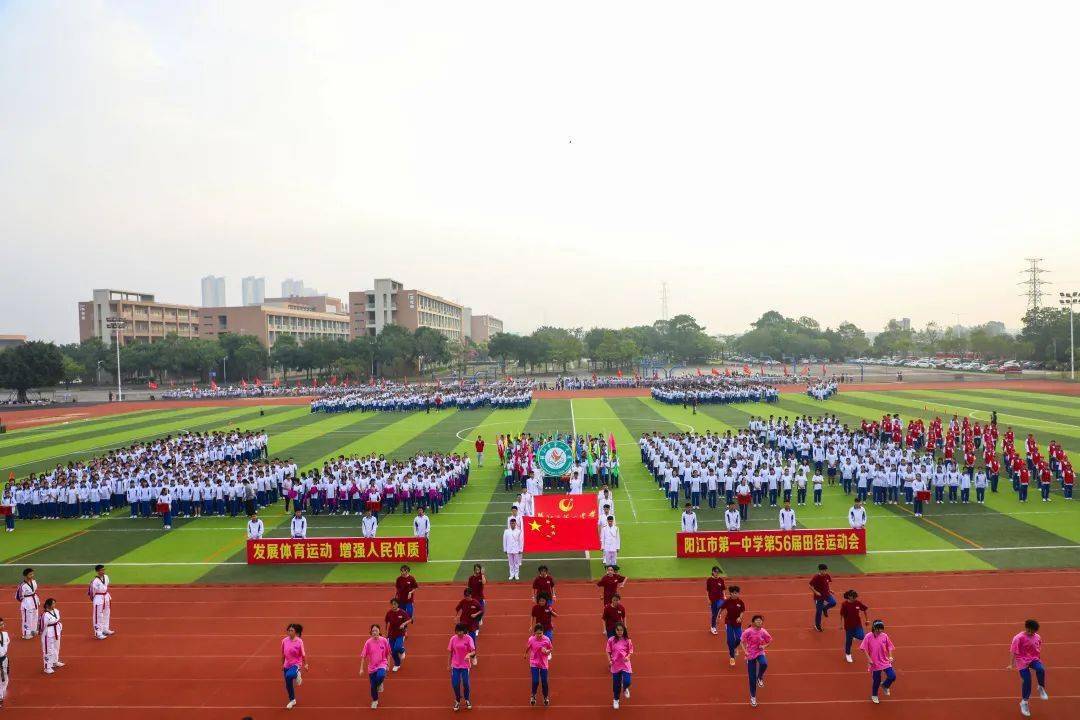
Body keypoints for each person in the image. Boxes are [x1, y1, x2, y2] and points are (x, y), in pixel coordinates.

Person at [1008, 618, 1049, 717]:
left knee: (1041, 669)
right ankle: (1024, 702)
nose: (1030, 632)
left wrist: (1038, 659)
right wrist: (1011, 664)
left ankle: (1040, 687)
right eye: (1028, 630)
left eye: (1032, 631)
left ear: (1036, 631)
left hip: (1033, 659)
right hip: (1022, 661)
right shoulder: (1018, 638)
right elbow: (1013, 651)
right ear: (1026, 628)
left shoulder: (1038, 637)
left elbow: (1038, 648)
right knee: (1027, 680)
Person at [860, 620, 896, 704]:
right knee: (876, 680)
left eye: (881, 629)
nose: (880, 631)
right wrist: (869, 659)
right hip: (875, 663)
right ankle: (874, 695)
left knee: (892, 676)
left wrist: (890, 656)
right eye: (878, 629)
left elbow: (890, 646)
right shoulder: (868, 636)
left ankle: (885, 685)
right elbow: (863, 648)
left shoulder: (884, 636)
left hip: (884, 661)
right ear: (874, 628)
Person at [359, 624, 392, 709]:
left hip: (382, 663)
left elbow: (388, 653)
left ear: (379, 631)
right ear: (371, 632)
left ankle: (380, 683)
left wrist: (388, 664)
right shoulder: (368, 642)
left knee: (381, 675)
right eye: (373, 631)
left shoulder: (384, 640)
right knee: (373, 687)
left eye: (376, 630)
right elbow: (363, 655)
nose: (374, 632)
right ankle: (375, 700)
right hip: (372, 667)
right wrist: (361, 668)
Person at [742, 614, 772, 707]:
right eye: (757, 620)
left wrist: (764, 646)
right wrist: (745, 651)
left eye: (760, 620)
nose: (759, 622)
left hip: (759, 652)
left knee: (764, 663)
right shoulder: (748, 631)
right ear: (753, 622)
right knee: (751, 678)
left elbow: (770, 640)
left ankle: (760, 677)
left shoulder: (763, 631)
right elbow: (741, 641)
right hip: (750, 654)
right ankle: (753, 697)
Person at [448, 623, 477, 711]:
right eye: (458, 631)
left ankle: (467, 699)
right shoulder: (453, 639)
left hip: (465, 665)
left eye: (461, 631)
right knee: (455, 684)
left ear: (464, 631)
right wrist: (448, 664)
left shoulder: (468, 638)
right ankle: (457, 700)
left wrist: (469, 654)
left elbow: (473, 651)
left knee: (466, 683)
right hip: (455, 665)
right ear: (456, 631)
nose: (459, 633)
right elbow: (450, 652)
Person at [607, 621, 633, 709]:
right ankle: (616, 699)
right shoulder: (611, 640)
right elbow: (608, 651)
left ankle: (625, 688)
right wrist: (609, 660)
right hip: (615, 665)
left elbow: (630, 651)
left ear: (624, 630)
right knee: (616, 684)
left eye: (621, 630)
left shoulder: (627, 640)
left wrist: (628, 657)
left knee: (627, 681)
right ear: (615, 630)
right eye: (618, 630)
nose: (619, 632)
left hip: (625, 664)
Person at [281, 623, 308, 710]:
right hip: (286, 664)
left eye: (291, 630)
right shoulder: (284, 641)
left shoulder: (299, 641)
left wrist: (306, 664)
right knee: (288, 684)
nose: (289, 632)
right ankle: (292, 700)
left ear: (295, 632)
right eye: (288, 630)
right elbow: (283, 654)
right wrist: (282, 665)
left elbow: (303, 654)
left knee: (289, 675)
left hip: (296, 664)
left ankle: (297, 674)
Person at [526, 623, 553, 706]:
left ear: (543, 632)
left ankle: (545, 696)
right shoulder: (531, 639)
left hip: (544, 663)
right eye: (537, 633)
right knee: (535, 681)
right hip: (534, 662)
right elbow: (528, 647)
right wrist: (525, 654)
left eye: (540, 633)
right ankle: (533, 695)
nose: (539, 635)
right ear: (534, 633)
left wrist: (547, 651)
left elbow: (551, 649)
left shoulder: (547, 640)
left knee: (544, 681)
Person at [718, 585, 746, 666]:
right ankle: (732, 657)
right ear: (731, 593)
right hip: (729, 622)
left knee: (739, 638)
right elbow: (721, 609)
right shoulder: (727, 601)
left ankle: (734, 647)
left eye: (737, 593)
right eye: (734, 593)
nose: (736, 594)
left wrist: (740, 618)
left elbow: (742, 611)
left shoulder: (740, 602)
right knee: (730, 640)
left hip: (737, 623)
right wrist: (718, 617)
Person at [840, 589, 869, 662]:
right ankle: (848, 654)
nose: (855, 598)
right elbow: (841, 614)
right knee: (848, 641)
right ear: (849, 597)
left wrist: (867, 620)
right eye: (854, 597)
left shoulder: (857, 603)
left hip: (857, 624)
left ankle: (853, 635)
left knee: (861, 636)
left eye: (856, 597)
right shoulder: (844, 604)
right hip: (848, 626)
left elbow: (864, 609)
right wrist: (841, 624)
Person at [385, 598, 412, 671]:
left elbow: (410, 619)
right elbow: (387, 623)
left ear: (398, 604)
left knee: (397, 648)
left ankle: (402, 650)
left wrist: (404, 624)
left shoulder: (402, 612)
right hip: (391, 634)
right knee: (392, 651)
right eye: (392, 604)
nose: (393, 606)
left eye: (395, 604)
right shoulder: (389, 613)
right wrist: (386, 634)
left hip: (400, 633)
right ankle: (397, 664)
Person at [88, 564, 114, 640]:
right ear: (97, 571)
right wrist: (95, 600)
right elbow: (91, 592)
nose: (103, 571)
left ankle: (105, 629)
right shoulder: (94, 581)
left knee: (107, 612)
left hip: (106, 596)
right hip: (98, 597)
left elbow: (106, 585)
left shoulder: (106, 577)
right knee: (98, 615)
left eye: (103, 570)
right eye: (101, 570)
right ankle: (98, 632)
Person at [455, 588, 483, 653]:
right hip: (463, 624)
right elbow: (457, 609)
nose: (466, 597)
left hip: (472, 624)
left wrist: (476, 614)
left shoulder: (475, 602)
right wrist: (455, 616)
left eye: (467, 596)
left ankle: (473, 655)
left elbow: (481, 610)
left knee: (472, 640)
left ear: (471, 595)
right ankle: (464, 651)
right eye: (465, 596)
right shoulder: (463, 601)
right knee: (462, 638)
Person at [40, 597, 63, 674]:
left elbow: (57, 620)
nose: (54, 605)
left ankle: (55, 661)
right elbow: (41, 626)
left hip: (56, 631)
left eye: (54, 603)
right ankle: (47, 667)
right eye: (53, 603)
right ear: (48, 605)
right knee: (48, 650)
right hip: (48, 633)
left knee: (56, 647)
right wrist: (41, 633)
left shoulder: (56, 611)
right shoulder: (44, 615)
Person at [810, 563, 836, 632]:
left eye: (825, 570)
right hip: (818, 597)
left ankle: (825, 608)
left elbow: (827, 584)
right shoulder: (816, 577)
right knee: (819, 611)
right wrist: (816, 592)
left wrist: (830, 590)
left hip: (827, 594)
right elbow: (810, 586)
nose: (824, 572)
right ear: (820, 570)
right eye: (823, 570)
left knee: (833, 602)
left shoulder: (827, 576)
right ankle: (817, 625)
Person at [17, 567, 40, 640]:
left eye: (32, 574)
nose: (32, 575)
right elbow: (18, 596)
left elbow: (34, 591)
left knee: (35, 616)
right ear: (25, 575)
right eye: (30, 574)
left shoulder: (34, 581)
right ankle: (26, 633)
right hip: (27, 602)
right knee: (27, 619)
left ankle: (33, 631)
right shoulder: (22, 585)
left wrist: (36, 600)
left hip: (34, 600)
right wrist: (25, 602)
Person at [707, 566, 727, 634]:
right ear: (712, 572)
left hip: (720, 598)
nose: (717, 573)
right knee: (714, 615)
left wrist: (724, 596)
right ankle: (713, 627)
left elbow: (723, 589)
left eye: (718, 572)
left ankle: (719, 613)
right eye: (715, 572)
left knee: (721, 605)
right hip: (712, 599)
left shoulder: (721, 580)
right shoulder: (709, 580)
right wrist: (708, 599)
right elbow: (708, 590)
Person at [0, 617, 9, 708]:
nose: (2, 626)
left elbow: (7, 643)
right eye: (0, 625)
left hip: (4, 659)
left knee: (5, 678)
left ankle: (1, 693)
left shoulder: (5, 634)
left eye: (3, 624)